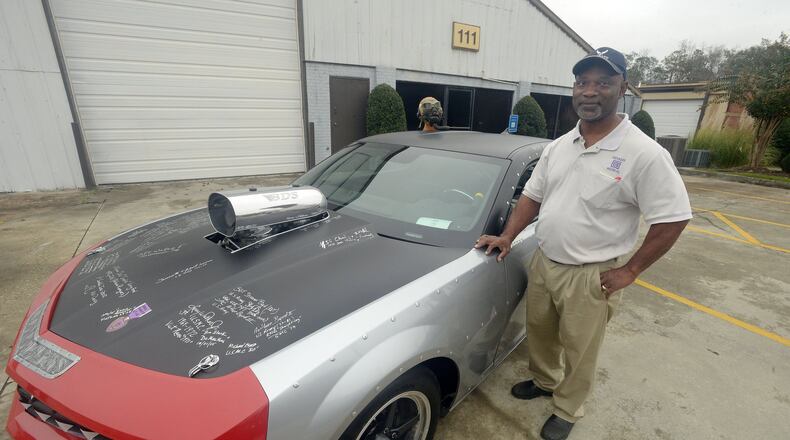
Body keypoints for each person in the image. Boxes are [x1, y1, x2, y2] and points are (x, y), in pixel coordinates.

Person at [475, 47, 691, 440]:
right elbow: (532, 197)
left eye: (602, 83)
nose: (589, 91)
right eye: (582, 82)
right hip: (545, 262)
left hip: (592, 275)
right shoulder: (560, 145)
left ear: (622, 88)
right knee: (539, 332)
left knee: (580, 348)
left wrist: (631, 269)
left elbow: (674, 217)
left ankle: (568, 407)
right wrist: (507, 236)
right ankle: (543, 381)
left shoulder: (643, 153)